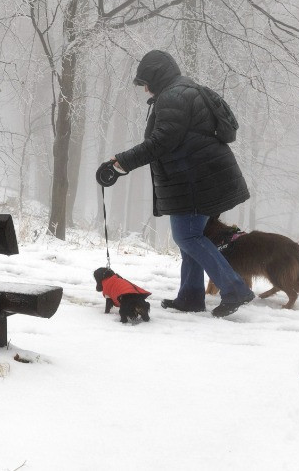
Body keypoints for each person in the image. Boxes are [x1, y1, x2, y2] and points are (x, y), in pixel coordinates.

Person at [105, 50, 256, 318]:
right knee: (190, 238)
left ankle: (235, 289)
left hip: (195, 180)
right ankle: (190, 297)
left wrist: (122, 162)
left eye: (145, 83)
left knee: (187, 236)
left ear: (156, 76)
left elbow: (162, 142)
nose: (144, 90)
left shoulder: (174, 97)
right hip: (201, 178)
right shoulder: (183, 91)